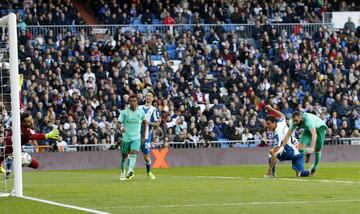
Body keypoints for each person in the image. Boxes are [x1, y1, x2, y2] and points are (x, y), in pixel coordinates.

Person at [0, 112, 59, 177]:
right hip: (13, 146)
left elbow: (32, 135)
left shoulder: (26, 128)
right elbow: (34, 136)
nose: (31, 122)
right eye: (28, 121)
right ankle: (16, 172)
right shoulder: (24, 130)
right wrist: (47, 135)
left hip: (15, 145)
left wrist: (35, 143)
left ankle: (15, 170)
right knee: (35, 164)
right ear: (23, 123)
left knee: (35, 164)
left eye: (31, 119)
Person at [275, 111, 328, 176]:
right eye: (294, 121)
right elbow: (287, 135)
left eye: (296, 120)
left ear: (301, 117)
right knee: (300, 149)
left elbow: (314, 134)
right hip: (308, 130)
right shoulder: (293, 122)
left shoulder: (308, 120)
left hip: (320, 129)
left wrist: (312, 147)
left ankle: (314, 168)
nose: (295, 122)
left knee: (317, 150)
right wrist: (282, 147)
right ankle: (308, 152)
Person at [264, 105, 309, 177]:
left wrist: (269, 169)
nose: (267, 126)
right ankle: (310, 171)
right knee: (300, 174)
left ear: (274, 123)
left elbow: (275, 153)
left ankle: (271, 173)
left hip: (290, 152)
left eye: (268, 124)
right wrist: (271, 109)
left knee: (272, 152)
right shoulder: (281, 122)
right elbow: (282, 115)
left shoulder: (277, 134)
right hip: (299, 151)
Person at [118, 95, 147, 181]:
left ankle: (130, 171)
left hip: (136, 138)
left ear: (137, 102)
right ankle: (123, 171)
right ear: (128, 102)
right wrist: (121, 128)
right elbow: (118, 122)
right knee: (124, 156)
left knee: (134, 152)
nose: (133, 102)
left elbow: (145, 123)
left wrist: (143, 136)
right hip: (126, 138)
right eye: (131, 101)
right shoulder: (124, 112)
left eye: (134, 101)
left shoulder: (141, 112)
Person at [139, 91, 160, 179]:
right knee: (130, 153)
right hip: (135, 134)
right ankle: (128, 172)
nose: (148, 97)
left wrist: (148, 123)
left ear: (152, 98)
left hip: (146, 136)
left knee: (146, 157)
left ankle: (149, 172)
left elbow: (157, 124)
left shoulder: (154, 110)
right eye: (147, 95)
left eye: (150, 96)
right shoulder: (139, 108)